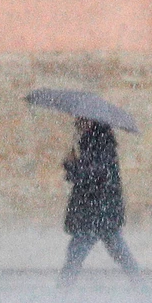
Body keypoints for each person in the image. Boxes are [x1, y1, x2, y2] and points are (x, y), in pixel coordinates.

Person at [59, 117, 139, 283]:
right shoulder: (92, 143)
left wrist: (73, 165)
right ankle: (140, 284)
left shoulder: (101, 145)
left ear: (90, 122)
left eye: (81, 121)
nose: (77, 124)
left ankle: (62, 291)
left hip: (97, 210)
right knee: (117, 250)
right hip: (99, 210)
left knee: (78, 251)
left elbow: (95, 175)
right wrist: (73, 164)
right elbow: (88, 174)